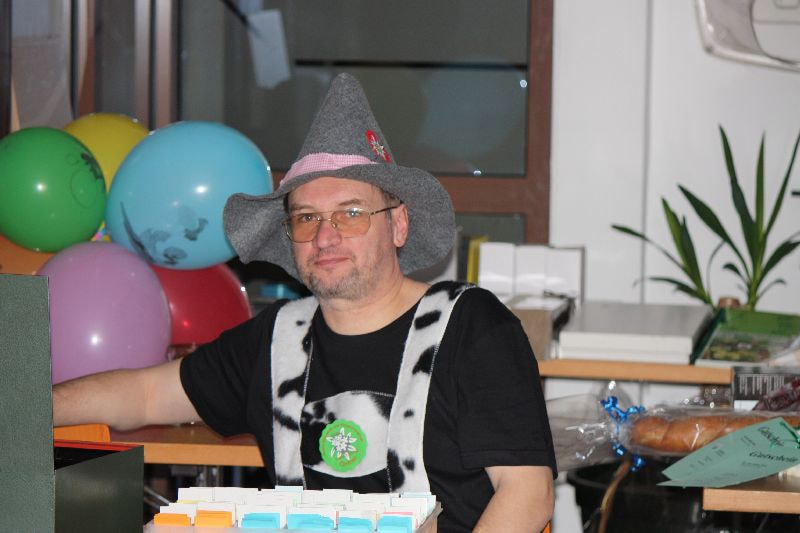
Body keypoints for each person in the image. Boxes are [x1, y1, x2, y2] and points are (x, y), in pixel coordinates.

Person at [54, 73, 556, 532]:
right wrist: (29, 406)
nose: (325, 236)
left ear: (398, 224)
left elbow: (528, 496)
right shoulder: (275, 340)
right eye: (307, 217)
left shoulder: (472, 328)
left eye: (351, 213)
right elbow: (144, 395)